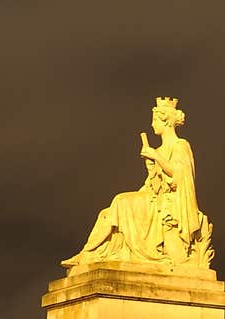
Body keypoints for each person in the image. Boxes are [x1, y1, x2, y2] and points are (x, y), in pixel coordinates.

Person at [61, 97, 213, 268]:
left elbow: (180, 175)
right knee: (106, 214)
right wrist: (152, 169)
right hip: (152, 197)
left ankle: (89, 254)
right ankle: (88, 254)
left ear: (166, 122)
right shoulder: (159, 149)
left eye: (155, 120)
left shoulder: (180, 145)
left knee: (120, 201)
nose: (152, 125)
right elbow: (152, 184)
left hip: (168, 203)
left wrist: (156, 157)